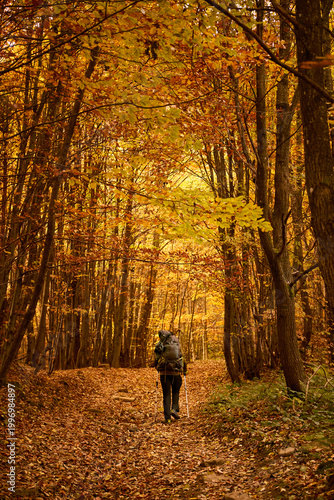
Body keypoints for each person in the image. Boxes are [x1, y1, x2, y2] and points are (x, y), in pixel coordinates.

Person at [154, 329, 187, 424]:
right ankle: (174, 409)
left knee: (166, 394)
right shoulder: (177, 343)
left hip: (164, 373)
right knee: (176, 391)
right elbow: (182, 356)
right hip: (176, 372)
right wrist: (184, 369)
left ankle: (167, 417)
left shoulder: (160, 344)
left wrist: (157, 367)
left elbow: (156, 358)